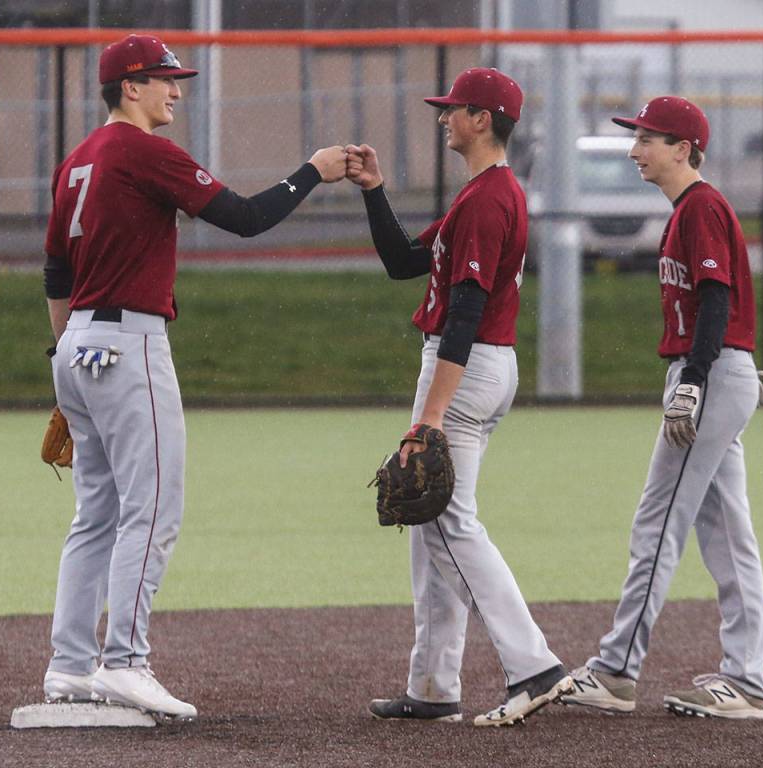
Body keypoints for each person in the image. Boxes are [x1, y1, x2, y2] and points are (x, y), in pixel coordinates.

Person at [40, 33, 347, 719]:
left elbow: (57, 271)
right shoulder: (144, 150)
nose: (175, 90)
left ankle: (68, 665)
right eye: (163, 79)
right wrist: (312, 171)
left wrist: (62, 358)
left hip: (77, 343)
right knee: (153, 511)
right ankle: (123, 661)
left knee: (96, 515)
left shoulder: (77, 161)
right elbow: (242, 218)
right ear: (130, 88)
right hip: (130, 343)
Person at [346, 67, 575, 727]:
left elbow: (467, 310)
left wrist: (431, 419)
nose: (444, 118)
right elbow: (401, 261)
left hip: (464, 367)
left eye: (453, 110)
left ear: (482, 118)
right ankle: (434, 686)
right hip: (475, 365)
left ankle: (534, 666)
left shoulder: (487, 200)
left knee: (449, 523)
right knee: (431, 528)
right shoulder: (482, 195)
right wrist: (375, 191)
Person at [561, 96, 763, 719]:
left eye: (648, 139)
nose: (635, 150)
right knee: (728, 537)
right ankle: (747, 683)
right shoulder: (691, 208)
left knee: (659, 523)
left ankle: (617, 669)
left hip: (711, 370)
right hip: (719, 373)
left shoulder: (701, 205)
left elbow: (714, 296)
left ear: (684, 148)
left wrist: (694, 380)